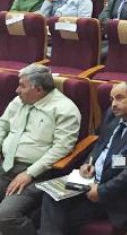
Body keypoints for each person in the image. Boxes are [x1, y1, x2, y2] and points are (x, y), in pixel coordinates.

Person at [39, 81, 127, 234]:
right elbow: (100, 142)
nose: (114, 104)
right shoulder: (112, 113)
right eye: (111, 99)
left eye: (119, 98)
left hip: (112, 191)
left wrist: (101, 191)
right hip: (88, 180)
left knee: (59, 218)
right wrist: (88, 162)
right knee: (50, 196)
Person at [0, 64, 80, 235]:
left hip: (36, 175)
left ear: (38, 89)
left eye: (22, 86)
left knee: (5, 217)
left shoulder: (65, 110)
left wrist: (30, 173)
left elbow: (62, 148)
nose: (16, 90)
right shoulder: (19, 101)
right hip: (4, 165)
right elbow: (2, 125)